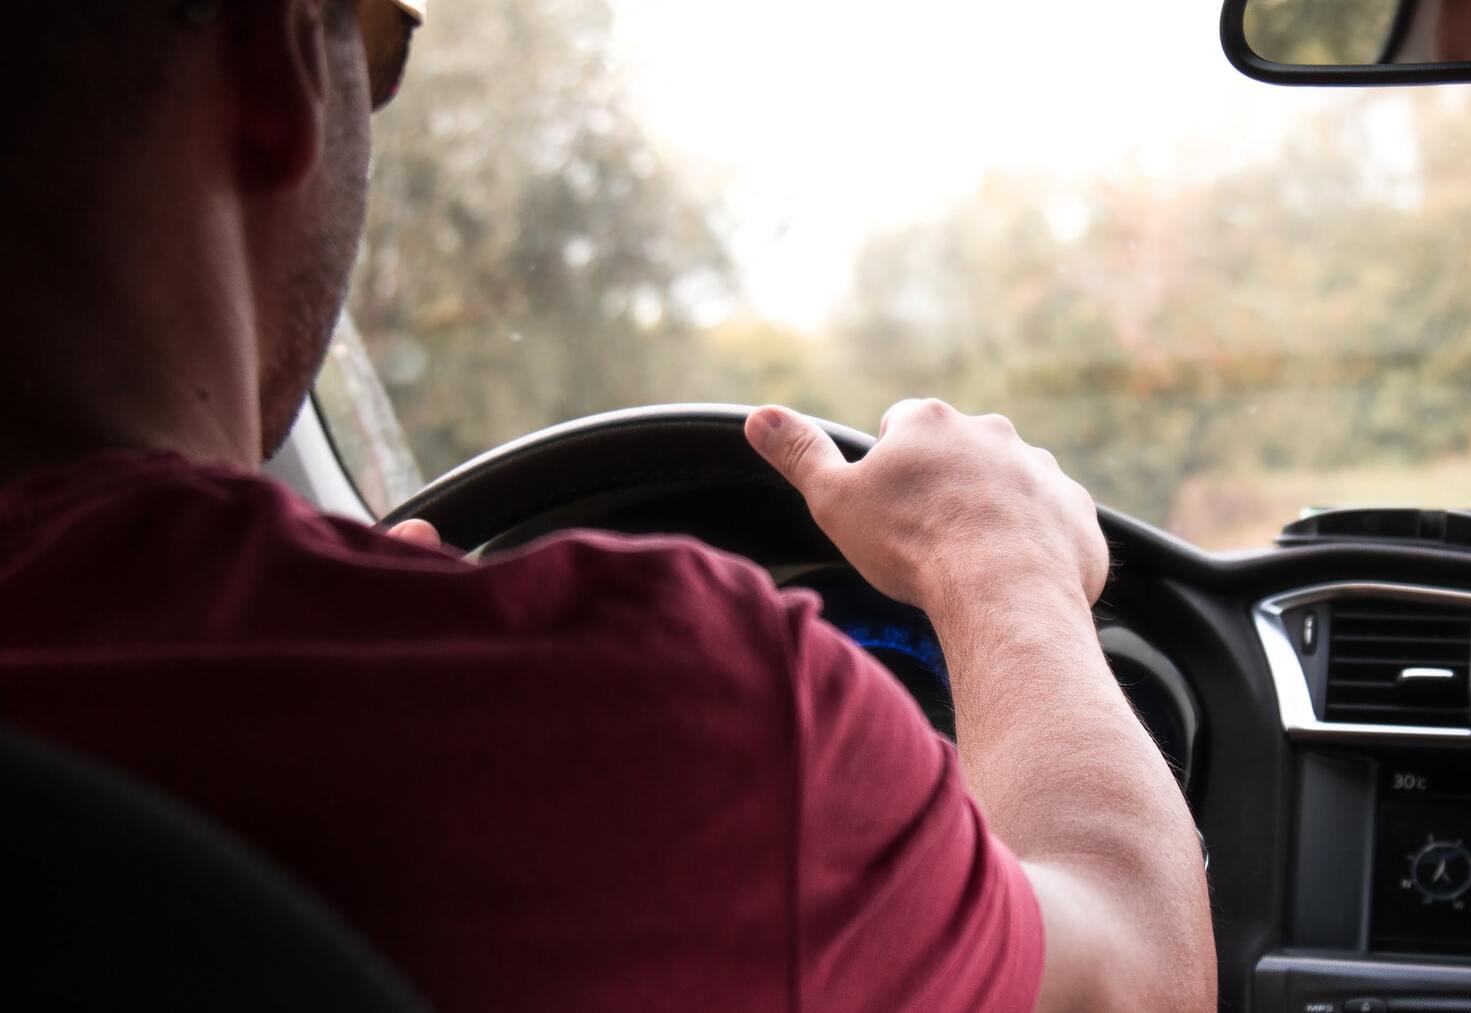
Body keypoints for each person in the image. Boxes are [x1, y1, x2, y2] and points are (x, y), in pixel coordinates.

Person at [0, 1, 1214, 1011]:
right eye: (374, 52)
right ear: (280, 65)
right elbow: (1137, 979)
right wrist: (996, 555)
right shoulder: (660, 719)